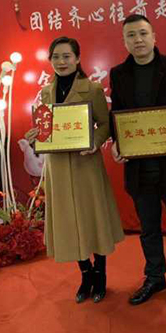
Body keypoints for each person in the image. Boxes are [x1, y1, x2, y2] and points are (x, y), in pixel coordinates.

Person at [25, 36, 125, 304]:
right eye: (56, 57)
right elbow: (44, 130)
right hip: (57, 167)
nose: (61, 62)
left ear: (78, 58)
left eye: (67, 56)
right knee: (68, 220)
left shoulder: (92, 89)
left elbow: (105, 124)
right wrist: (35, 137)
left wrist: (95, 141)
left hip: (85, 164)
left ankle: (100, 274)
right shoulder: (45, 93)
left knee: (93, 218)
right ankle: (85, 274)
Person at [109, 14, 166, 309]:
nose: (138, 40)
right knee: (148, 229)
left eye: (143, 33)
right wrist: (117, 143)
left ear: (154, 36)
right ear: (124, 41)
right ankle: (155, 277)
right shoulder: (118, 74)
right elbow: (117, 115)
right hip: (139, 167)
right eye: (131, 35)